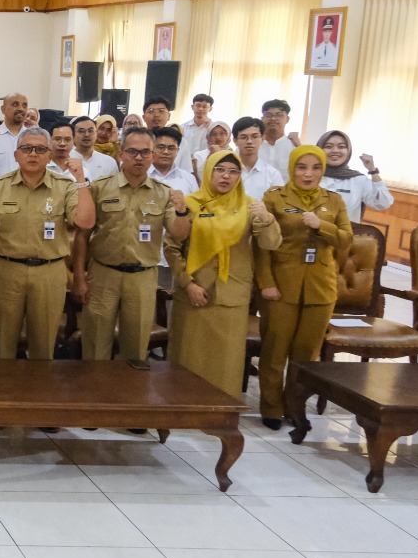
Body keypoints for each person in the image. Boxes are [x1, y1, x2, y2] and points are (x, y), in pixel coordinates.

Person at [164, 152, 281, 398]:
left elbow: (270, 244)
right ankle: (181, 407)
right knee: (188, 355)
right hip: (195, 292)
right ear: (208, 172)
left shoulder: (250, 206)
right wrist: (188, 284)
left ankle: (220, 411)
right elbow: (172, 248)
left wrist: (267, 219)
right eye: (219, 169)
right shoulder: (189, 204)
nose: (226, 176)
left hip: (232, 294)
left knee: (226, 360)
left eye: (233, 171)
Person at [256, 144, 353, 430]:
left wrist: (321, 224)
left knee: (306, 355)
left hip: (320, 288)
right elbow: (262, 246)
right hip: (281, 285)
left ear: (323, 170)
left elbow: (346, 239)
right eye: (302, 167)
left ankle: (294, 407)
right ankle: (271, 408)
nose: (308, 174)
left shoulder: (333, 201)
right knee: (275, 350)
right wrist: (266, 283)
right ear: (292, 168)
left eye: (315, 168)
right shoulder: (274, 198)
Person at [0, 127, 95, 361]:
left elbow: (85, 221)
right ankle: (3, 395)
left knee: (43, 349)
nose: (33, 154)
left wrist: (81, 180)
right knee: (3, 346)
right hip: (6, 273)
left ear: (50, 155)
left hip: (49, 274)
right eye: (27, 149)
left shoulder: (66, 186)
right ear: (16, 155)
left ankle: (38, 395)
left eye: (41, 149)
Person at [76, 127, 189, 364]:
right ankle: (94, 396)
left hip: (142, 278)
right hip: (103, 275)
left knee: (136, 350)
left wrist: (182, 211)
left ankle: (131, 397)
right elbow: (83, 234)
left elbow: (179, 234)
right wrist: (79, 275)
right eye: (132, 151)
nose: (139, 157)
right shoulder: (99, 188)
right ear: (121, 154)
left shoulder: (164, 193)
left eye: (145, 152)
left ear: (153, 156)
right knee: (95, 347)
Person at [317, 130, 394, 223]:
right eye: (328, 146)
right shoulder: (311, 176)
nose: (335, 151)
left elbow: (383, 203)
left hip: (344, 235)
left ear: (348, 151)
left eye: (341, 147)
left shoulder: (358, 180)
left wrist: (373, 170)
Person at [231, 116, 285, 199]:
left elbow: (279, 203)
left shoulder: (272, 174)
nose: (249, 141)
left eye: (254, 136)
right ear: (235, 141)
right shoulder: (226, 172)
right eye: (243, 137)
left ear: (263, 138)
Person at [149, 127, 198, 194]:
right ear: (151, 148)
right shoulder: (142, 175)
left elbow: (196, 204)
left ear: (177, 151)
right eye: (161, 147)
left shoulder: (189, 179)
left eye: (171, 148)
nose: (166, 152)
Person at [71, 116, 119, 181]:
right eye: (81, 131)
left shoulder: (110, 162)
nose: (86, 134)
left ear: (96, 134)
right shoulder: (65, 159)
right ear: (73, 135)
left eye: (91, 131)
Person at [258, 99, 297, 176]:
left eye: (279, 115)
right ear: (262, 119)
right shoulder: (253, 145)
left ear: (287, 119)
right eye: (268, 115)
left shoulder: (294, 147)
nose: (273, 119)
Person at [178, 94, 215, 172]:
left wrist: (210, 129)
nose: (201, 109)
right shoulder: (183, 127)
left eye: (204, 107)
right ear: (192, 107)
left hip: (207, 166)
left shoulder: (214, 129)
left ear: (210, 109)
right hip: (186, 166)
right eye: (198, 105)